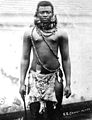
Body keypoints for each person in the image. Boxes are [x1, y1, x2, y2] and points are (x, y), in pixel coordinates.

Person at [19, 1, 71, 120]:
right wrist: (21, 83)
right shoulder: (29, 34)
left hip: (54, 77)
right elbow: (24, 58)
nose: (45, 15)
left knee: (56, 112)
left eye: (48, 12)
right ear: (37, 14)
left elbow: (66, 59)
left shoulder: (61, 34)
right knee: (35, 114)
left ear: (53, 14)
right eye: (42, 12)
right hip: (35, 78)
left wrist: (68, 83)